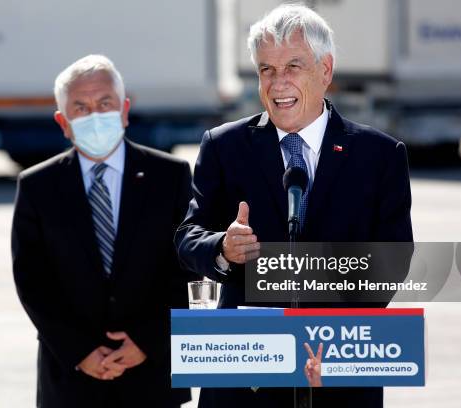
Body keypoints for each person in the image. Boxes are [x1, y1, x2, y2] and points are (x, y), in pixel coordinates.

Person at [174, 4, 413, 408]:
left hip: (337, 372)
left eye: (293, 67)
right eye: (266, 69)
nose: (278, 82)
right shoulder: (223, 146)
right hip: (243, 380)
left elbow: (393, 262)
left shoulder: (379, 155)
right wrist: (222, 248)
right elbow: (187, 239)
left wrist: (328, 343)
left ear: (326, 70)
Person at [12, 54, 192, 408]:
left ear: (124, 110)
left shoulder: (169, 177)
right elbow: (32, 281)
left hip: (150, 375)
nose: (96, 116)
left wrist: (147, 341)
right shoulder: (37, 186)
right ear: (63, 122)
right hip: (71, 377)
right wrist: (79, 350)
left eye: (105, 103)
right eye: (81, 107)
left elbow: (183, 268)